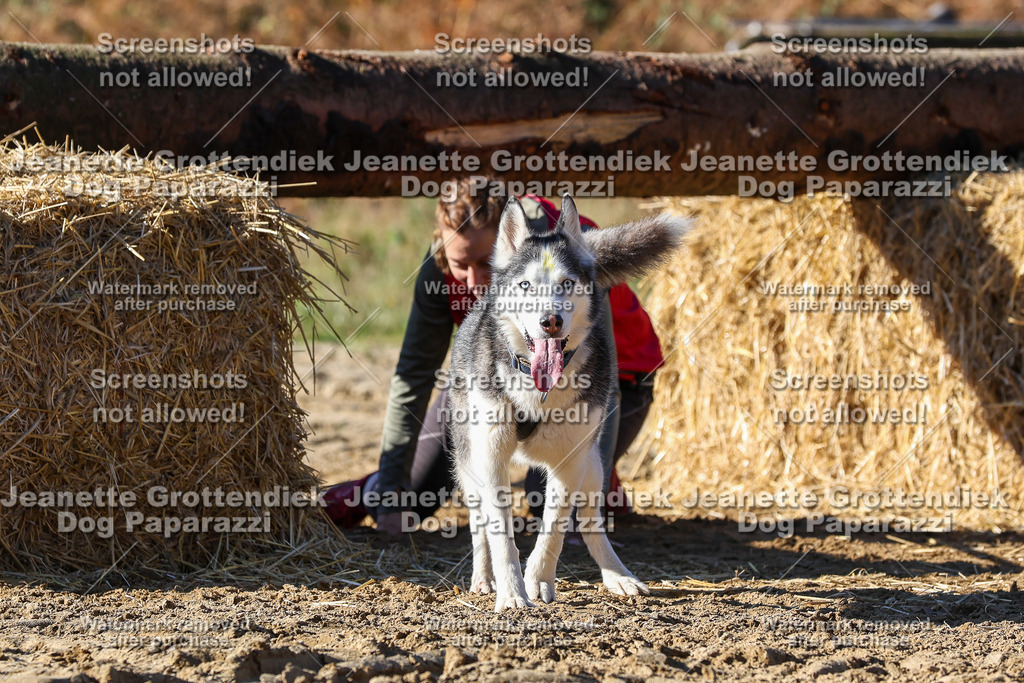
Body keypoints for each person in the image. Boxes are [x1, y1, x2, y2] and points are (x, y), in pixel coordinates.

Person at [323, 178, 663, 533]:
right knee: (411, 497)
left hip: (607, 382)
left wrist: (588, 506)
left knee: (549, 501)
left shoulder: (563, 253)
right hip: (501, 378)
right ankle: (347, 497)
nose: (472, 283)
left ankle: (605, 486)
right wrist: (391, 491)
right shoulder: (440, 266)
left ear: (509, 243)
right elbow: (414, 375)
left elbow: (605, 385)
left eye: (485, 264)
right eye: (460, 264)